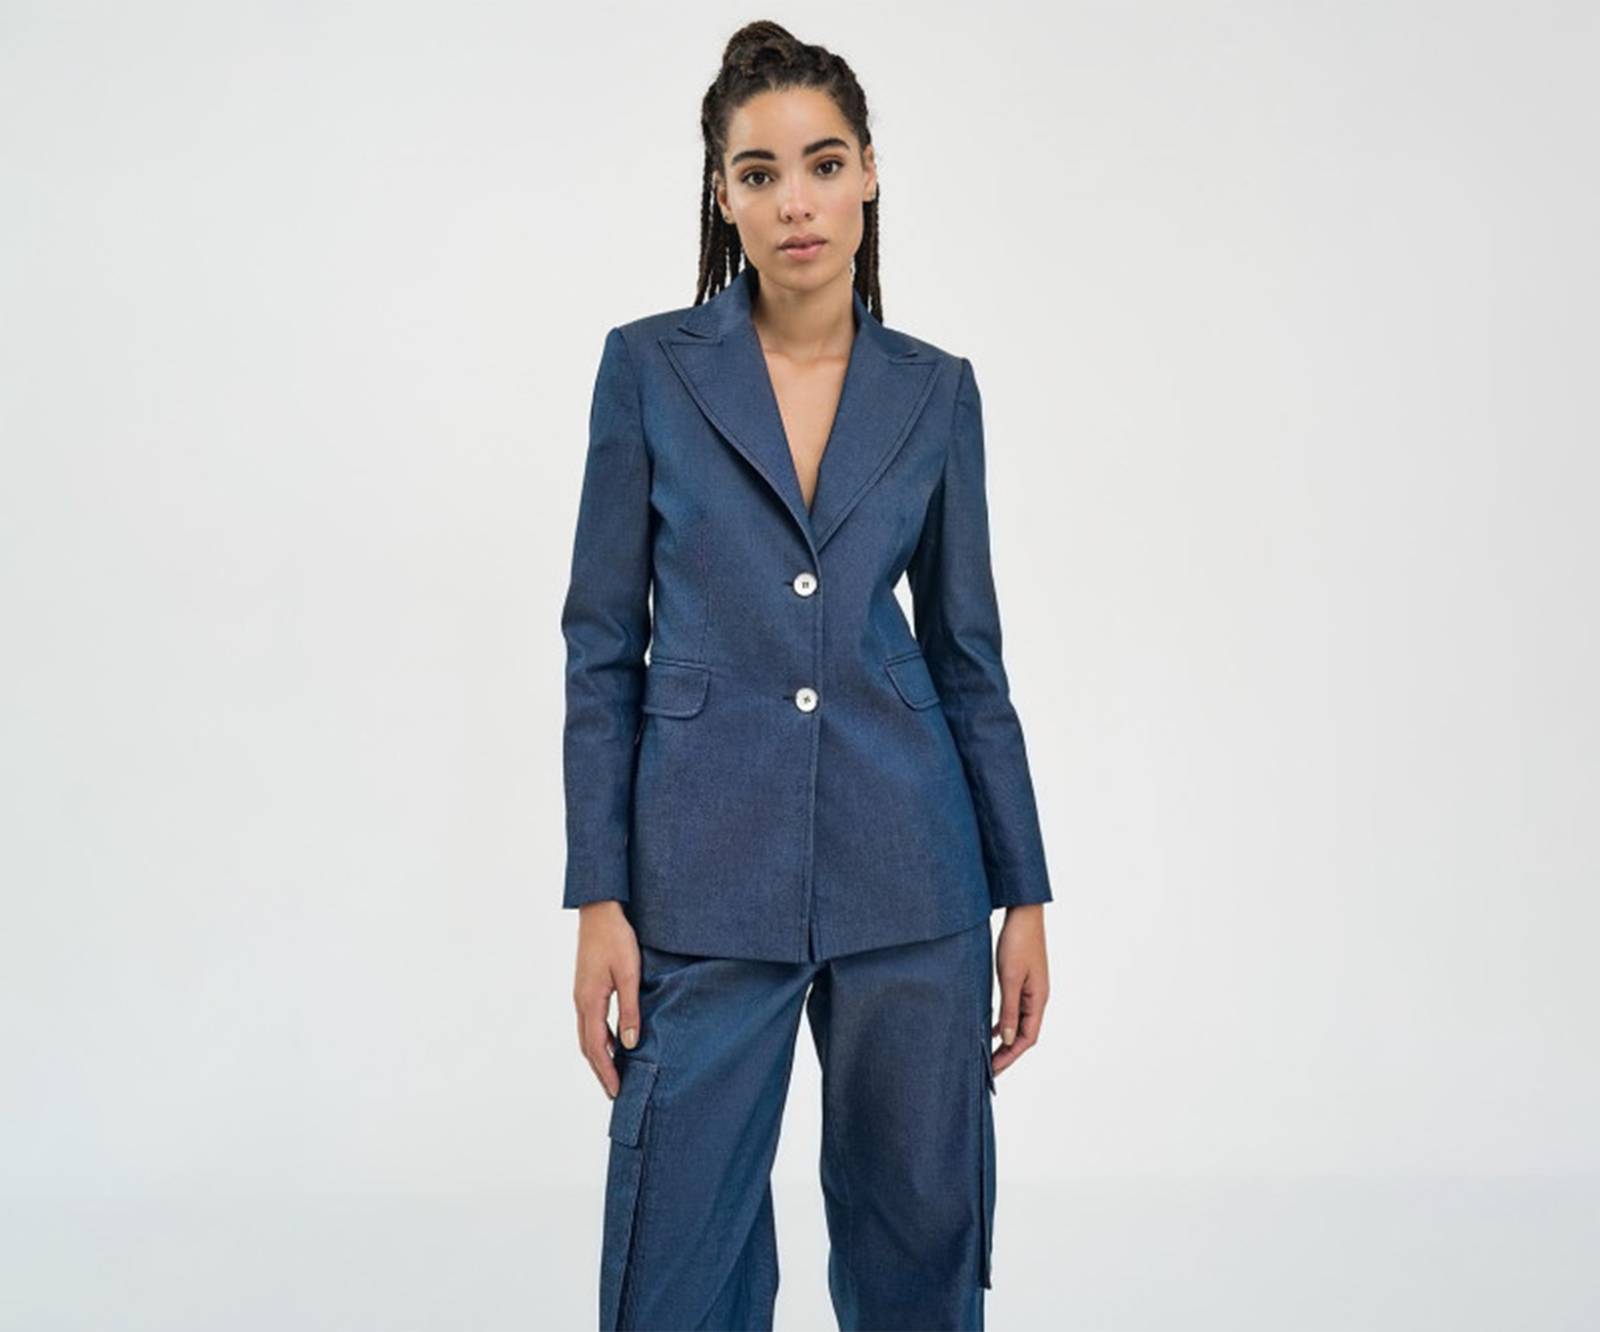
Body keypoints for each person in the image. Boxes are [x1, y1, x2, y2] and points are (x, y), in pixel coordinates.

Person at [561, 21, 1054, 1331]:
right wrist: (599, 895)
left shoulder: (935, 391)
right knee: (674, 1264)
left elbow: (968, 657)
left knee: (922, 1245)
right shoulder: (649, 370)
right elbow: (601, 648)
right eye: (761, 172)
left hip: (914, 868)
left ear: (870, 175)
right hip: (700, 870)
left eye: (824, 165)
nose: (796, 201)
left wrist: (1023, 893)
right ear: (722, 194)